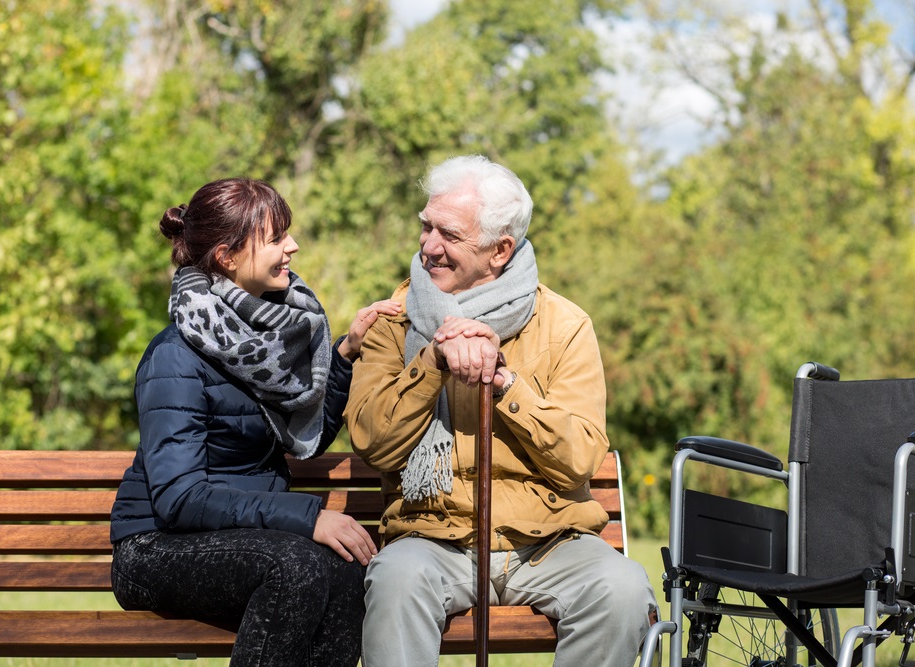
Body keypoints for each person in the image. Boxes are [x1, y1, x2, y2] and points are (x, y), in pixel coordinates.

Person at [344, 155, 658, 666]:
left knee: (620, 589)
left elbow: (579, 458)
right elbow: (372, 442)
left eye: (448, 234)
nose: (428, 246)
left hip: (548, 543)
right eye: (425, 226)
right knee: (397, 581)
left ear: (500, 250)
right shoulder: (392, 321)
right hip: (433, 537)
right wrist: (432, 362)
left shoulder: (564, 324)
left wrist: (505, 384)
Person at [109, 177, 400, 667]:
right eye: (275, 237)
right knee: (295, 567)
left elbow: (303, 437)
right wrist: (309, 518)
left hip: (242, 538)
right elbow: (179, 498)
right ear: (226, 257)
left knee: (348, 573)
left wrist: (346, 353)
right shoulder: (174, 356)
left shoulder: (266, 342)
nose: (293, 246)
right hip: (156, 548)